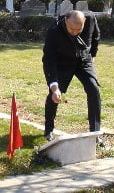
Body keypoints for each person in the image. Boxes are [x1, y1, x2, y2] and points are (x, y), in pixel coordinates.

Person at [42, 10, 102, 142]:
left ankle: (95, 134)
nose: (74, 33)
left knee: (93, 89)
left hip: (83, 60)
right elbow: (49, 60)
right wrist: (54, 87)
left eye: (78, 30)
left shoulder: (90, 19)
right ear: (66, 21)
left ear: (84, 22)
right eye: (71, 29)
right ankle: (48, 130)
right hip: (63, 63)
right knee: (55, 95)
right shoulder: (54, 30)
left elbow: (96, 36)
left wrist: (93, 54)